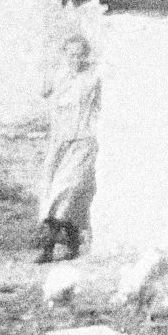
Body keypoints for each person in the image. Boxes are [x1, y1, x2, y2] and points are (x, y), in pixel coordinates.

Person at [37, 34, 99, 264]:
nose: (76, 59)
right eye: (71, 54)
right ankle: (72, 241)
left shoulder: (93, 77)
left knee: (65, 190)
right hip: (59, 142)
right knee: (55, 192)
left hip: (83, 142)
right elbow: (43, 90)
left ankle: (48, 246)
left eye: (80, 54)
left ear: (86, 55)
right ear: (65, 55)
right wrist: (55, 69)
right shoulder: (59, 75)